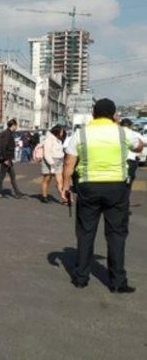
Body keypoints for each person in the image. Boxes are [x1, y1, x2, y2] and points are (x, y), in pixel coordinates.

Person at [62, 99, 143, 293]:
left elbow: (69, 164)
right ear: (114, 114)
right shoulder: (123, 132)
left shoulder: (80, 134)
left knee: (86, 232)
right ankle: (118, 282)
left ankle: (81, 278)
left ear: (93, 114)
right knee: (116, 234)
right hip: (117, 189)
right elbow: (139, 146)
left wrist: (65, 187)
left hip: (88, 188)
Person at [0, 119, 24, 199]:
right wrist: (5, 159)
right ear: (13, 126)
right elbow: (3, 146)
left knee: (12, 175)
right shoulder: (7, 134)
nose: (16, 127)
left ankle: (17, 192)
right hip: (6, 159)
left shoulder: (9, 133)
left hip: (8, 158)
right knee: (2, 176)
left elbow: (7, 145)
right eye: (16, 126)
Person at [120, 119, 145, 200]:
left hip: (118, 162)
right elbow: (144, 142)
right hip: (131, 161)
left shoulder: (116, 133)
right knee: (128, 183)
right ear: (130, 126)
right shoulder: (134, 134)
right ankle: (124, 200)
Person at [40, 125, 66, 204]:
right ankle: (44, 196)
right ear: (57, 131)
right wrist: (51, 163)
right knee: (47, 179)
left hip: (59, 161)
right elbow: (47, 153)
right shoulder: (49, 139)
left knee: (60, 181)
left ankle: (63, 198)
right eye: (61, 131)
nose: (62, 133)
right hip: (50, 161)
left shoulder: (59, 139)